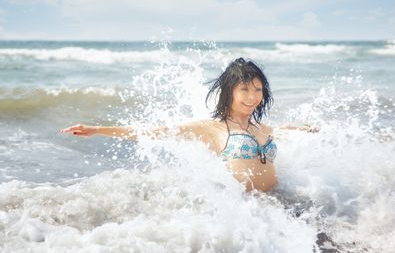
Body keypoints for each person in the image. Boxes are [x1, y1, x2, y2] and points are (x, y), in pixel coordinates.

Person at [61, 58, 319, 192]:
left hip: (279, 202)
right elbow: (154, 133)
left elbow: (286, 131)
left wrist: (310, 129)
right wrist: (98, 129)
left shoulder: (262, 129)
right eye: (244, 89)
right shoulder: (211, 128)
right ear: (229, 91)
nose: (252, 97)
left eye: (258, 90)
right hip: (248, 212)